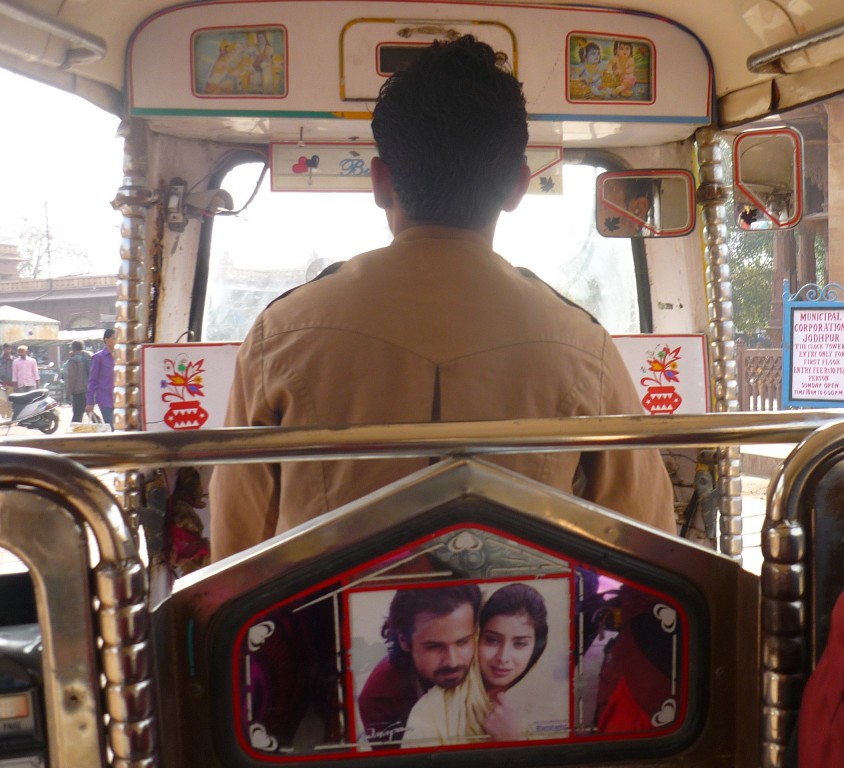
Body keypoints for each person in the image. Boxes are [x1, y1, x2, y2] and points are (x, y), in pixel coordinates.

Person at [208, 35, 674, 560]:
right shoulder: (584, 348)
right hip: (523, 635)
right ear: (517, 187)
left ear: (381, 182)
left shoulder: (280, 334)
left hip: (318, 637)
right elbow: (645, 545)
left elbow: (235, 552)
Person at [402, 583, 549, 747]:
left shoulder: (551, 704)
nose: (503, 657)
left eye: (520, 644)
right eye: (492, 640)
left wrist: (517, 741)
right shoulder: (431, 712)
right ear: (476, 637)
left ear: (536, 647)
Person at [358, 585, 482, 747]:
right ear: (404, 641)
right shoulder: (381, 698)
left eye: (462, 642)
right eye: (434, 647)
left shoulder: (494, 659)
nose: (452, 661)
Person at [86, 328, 115, 428]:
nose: (116, 341)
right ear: (106, 340)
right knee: (112, 427)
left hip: (120, 399)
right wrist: (90, 402)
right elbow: (92, 380)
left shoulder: (121, 357)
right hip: (105, 399)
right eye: (113, 338)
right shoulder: (98, 357)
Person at [63, 340, 92, 423]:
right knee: (89, 411)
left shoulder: (73, 360)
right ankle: (101, 429)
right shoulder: (87, 356)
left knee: (77, 417)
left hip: (78, 392)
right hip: (88, 389)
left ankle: (74, 434)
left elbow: (71, 378)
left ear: (73, 348)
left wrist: (68, 393)